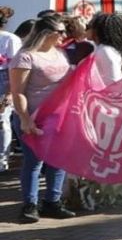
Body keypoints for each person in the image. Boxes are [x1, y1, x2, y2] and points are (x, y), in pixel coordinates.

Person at [10, 15, 75, 222]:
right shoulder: (26, 57)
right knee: (33, 162)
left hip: (59, 118)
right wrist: (25, 119)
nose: (65, 35)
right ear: (46, 33)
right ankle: (30, 205)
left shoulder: (59, 53)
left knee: (59, 161)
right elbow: (18, 91)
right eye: (61, 31)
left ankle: (52, 203)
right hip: (34, 117)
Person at [0, 6, 22, 172]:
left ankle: (2, 160)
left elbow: (15, 67)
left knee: (2, 121)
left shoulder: (10, 39)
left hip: (4, 80)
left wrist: (9, 92)